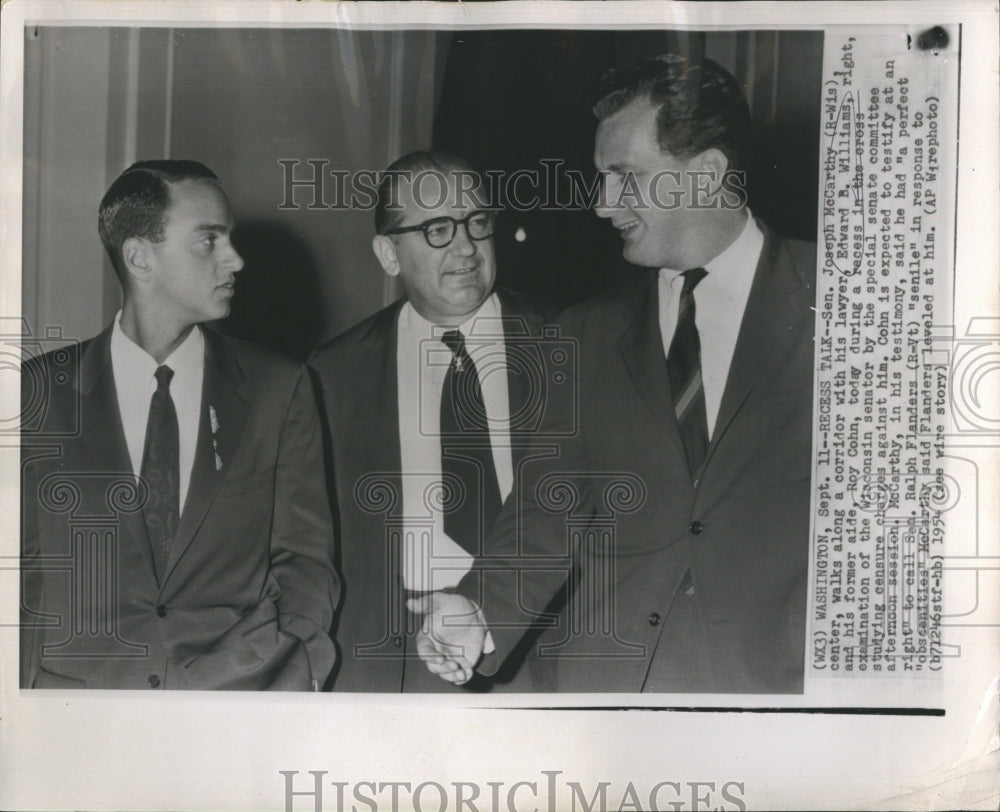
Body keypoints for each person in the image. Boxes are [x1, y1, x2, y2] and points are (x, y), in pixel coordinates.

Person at [414, 54, 816, 693]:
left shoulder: (852, 301)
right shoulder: (587, 331)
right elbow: (548, 508)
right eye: (601, 179)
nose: (603, 206)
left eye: (624, 178)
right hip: (617, 698)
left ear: (706, 176)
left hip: (781, 700)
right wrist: (479, 609)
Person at [20, 160, 339, 690]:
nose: (235, 259)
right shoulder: (34, 395)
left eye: (229, 238)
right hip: (74, 718)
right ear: (140, 257)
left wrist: (287, 678)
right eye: (208, 240)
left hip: (234, 707)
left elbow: (306, 564)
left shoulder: (278, 388)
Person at [309, 151, 551, 691]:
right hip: (389, 670)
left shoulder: (570, 346)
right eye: (438, 229)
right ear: (388, 254)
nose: (465, 247)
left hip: (535, 656)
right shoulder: (333, 374)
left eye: (477, 223)